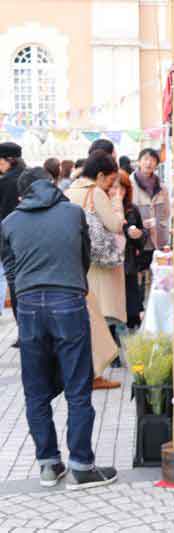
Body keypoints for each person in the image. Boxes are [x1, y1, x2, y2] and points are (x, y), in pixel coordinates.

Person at [1, 166, 118, 489]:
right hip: (67, 300)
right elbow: (84, 257)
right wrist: (75, 285)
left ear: (22, 194)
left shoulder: (9, 223)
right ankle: (81, 465)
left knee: (35, 390)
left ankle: (49, 465)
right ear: (51, 185)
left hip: (28, 306)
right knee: (78, 388)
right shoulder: (72, 213)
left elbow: (10, 272)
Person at [65, 151, 129, 390]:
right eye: (111, 180)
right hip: (100, 266)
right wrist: (117, 203)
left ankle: (86, 373)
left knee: (86, 321)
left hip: (78, 265)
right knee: (98, 322)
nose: (112, 185)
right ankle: (93, 375)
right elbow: (113, 225)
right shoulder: (97, 193)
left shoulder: (70, 191)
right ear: (101, 175)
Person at [114, 172, 147, 330]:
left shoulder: (132, 210)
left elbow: (142, 238)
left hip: (129, 265)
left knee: (131, 307)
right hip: (111, 266)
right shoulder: (104, 209)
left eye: (123, 189)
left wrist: (138, 235)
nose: (119, 193)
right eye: (115, 189)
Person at [0, 142, 25, 344]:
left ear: (9, 160)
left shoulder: (4, 182)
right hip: (31, 239)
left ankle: (23, 331)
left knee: (15, 284)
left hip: (9, 241)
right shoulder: (29, 177)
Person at [131, 148, 170, 272]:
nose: (149, 163)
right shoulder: (130, 184)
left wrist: (160, 222)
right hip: (139, 240)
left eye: (153, 160)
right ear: (139, 162)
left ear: (157, 164)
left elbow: (167, 212)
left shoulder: (162, 187)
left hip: (159, 239)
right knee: (140, 276)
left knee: (158, 276)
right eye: (146, 159)